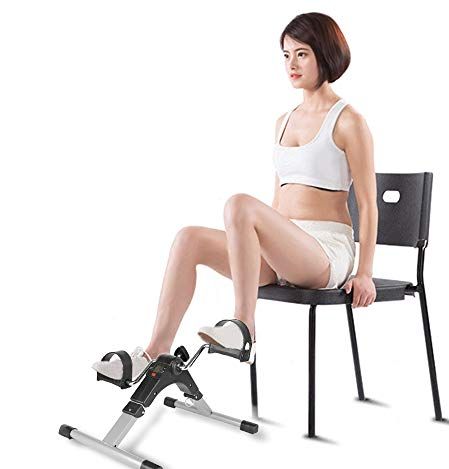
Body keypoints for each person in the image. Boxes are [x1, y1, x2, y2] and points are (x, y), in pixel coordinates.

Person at [92, 11, 378, 380]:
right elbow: (278, 200)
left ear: (326, 54)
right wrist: (265, 245)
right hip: (285, 250)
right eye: (286, 55)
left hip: (324, 252)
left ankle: (243, 329)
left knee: (239, 204)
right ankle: (154, 353)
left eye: (302, 54)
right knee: (189, 238)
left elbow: (368, 204)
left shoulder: (349, 120)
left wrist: (365, 272)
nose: (291, 64)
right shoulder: (283, 121)